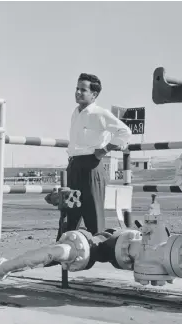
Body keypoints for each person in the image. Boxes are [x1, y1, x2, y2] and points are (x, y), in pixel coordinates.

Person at [56, 73, 132, 241]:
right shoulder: (76, 113)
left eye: (83, 90)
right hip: (74, 167)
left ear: (94, 94)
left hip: (91, 167)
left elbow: (125, 132)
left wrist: (105, 150)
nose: (77, 92)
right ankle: (62, 255)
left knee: (94, 218)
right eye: (77, 88)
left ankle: (98, 254)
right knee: (68, 214)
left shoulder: (100, 114)